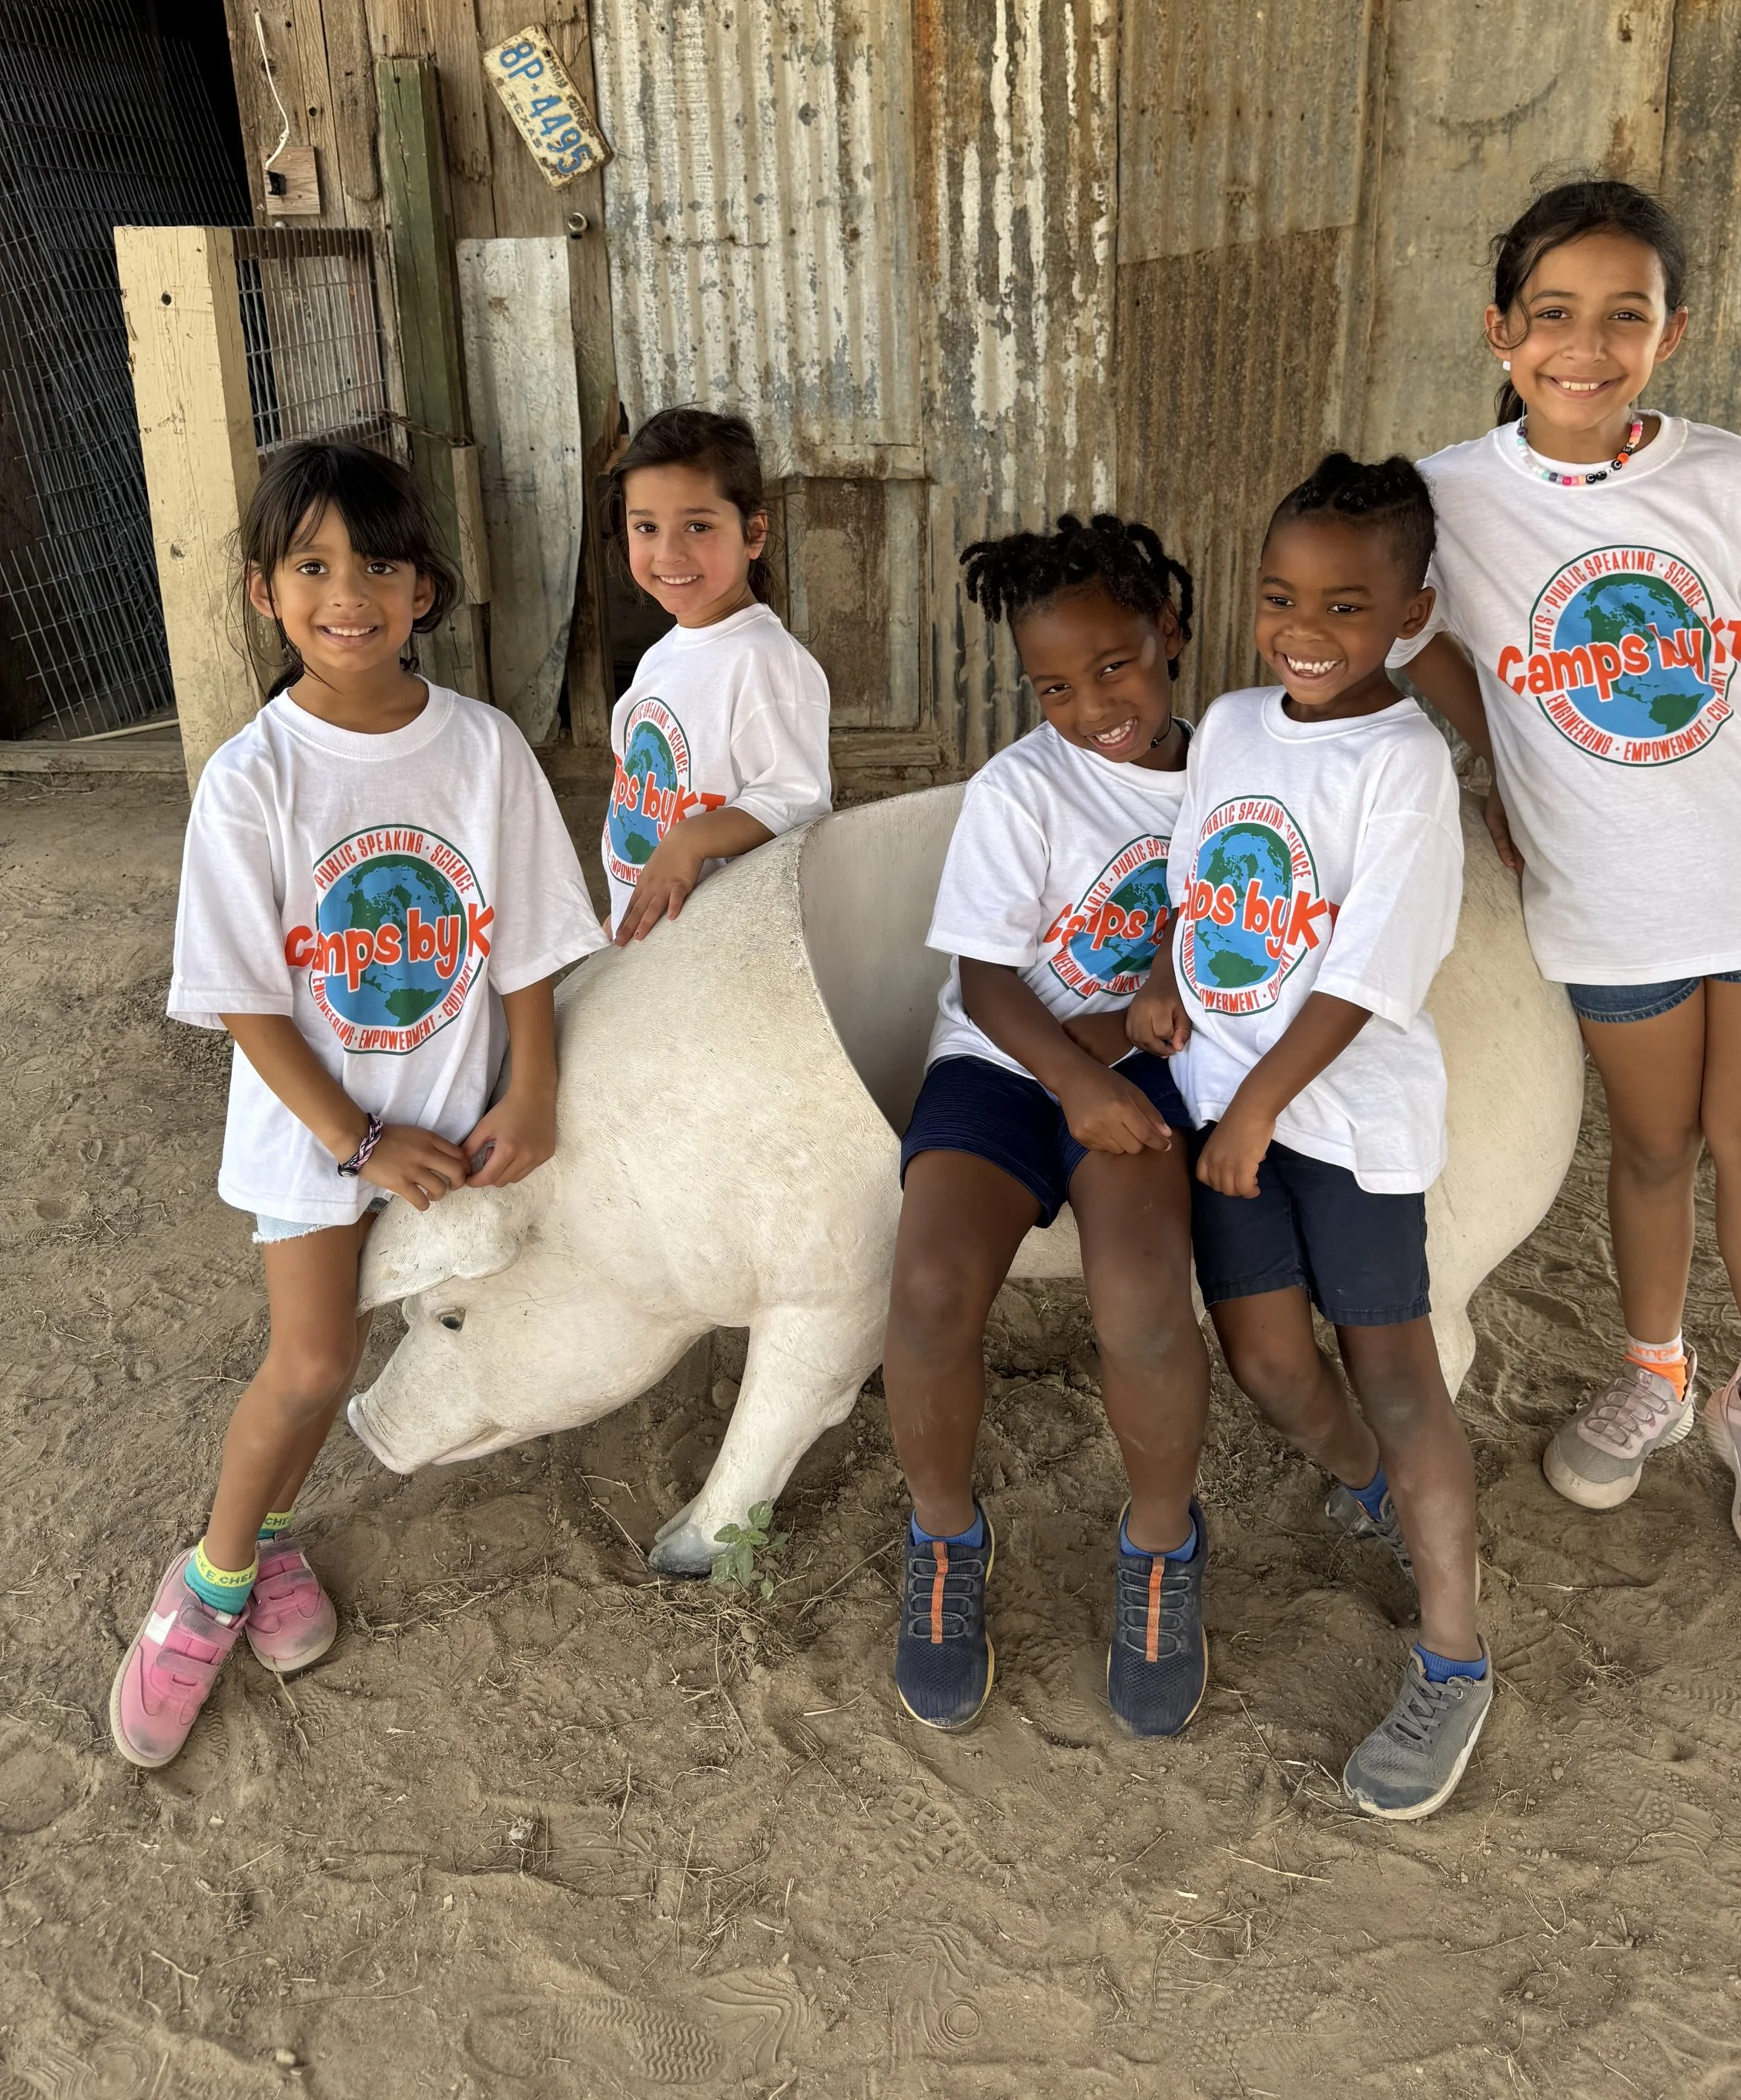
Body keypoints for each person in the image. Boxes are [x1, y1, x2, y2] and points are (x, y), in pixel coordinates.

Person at [113, 440, 604, 1769]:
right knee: (317, 1359)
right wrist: (359, 1141)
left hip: (452, 1119)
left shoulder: (484, 748)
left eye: (379, 565)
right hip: (320, 1132)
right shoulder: (254, 775)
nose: (350, 594)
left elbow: (534, 942)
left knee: (424, 1324)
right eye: (314, 565)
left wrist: (539, 1088)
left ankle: (266, 1533)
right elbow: (243, 997)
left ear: (426, 588)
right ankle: (215, 1579)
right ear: (266, 590)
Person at [1398, 178, 1741, 1579]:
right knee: (1653, 1146)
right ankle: (1656, 1372)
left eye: (1625, 316)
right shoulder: (1448, 497)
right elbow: (1405, 635)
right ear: (1499, 328)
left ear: (1671, 332)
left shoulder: (1733, 479)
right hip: (1608, 892)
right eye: (1553, 315)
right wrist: (1507, 759)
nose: (1584, 347)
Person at [1130, 454, 1492, 1820]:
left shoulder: (1403, 765)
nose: (1304, 630)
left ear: (1412, 609)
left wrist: (1268, 1105)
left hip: (1335, 1114)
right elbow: (1202, 877)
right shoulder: (1229, 721)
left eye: (1346, 605)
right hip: (1229, 1101)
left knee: (1395, 1366)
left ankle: (1454, 1655)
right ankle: (1370, 1492)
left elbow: (1360, 975)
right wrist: (1169, 972)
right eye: (1282, 596)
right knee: (1272, 1360)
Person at [885, 515, 1213, 1740]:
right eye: (1057, 686)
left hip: (1145, 1064)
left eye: (1116, 668)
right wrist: (1077, 1081)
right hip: (1010, 1061)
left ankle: (1163, 1548)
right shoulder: (1024, 786)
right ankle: (942, 1536)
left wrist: (1158, 998)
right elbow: (985, 982)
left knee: (1140, 1295)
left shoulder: (1236, 763)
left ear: (1168, 634)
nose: (1093, 706)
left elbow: (1234, 895)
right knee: (926, 1289)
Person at [602, 407, 831, 944]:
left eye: (698, 525)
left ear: (753, 532)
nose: (669, 552)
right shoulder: (662, 653)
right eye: (646, 527)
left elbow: (797, 800)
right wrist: (621, 905)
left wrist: (689, 840)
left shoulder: (765, 659)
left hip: (716, 948)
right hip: (655, 931)